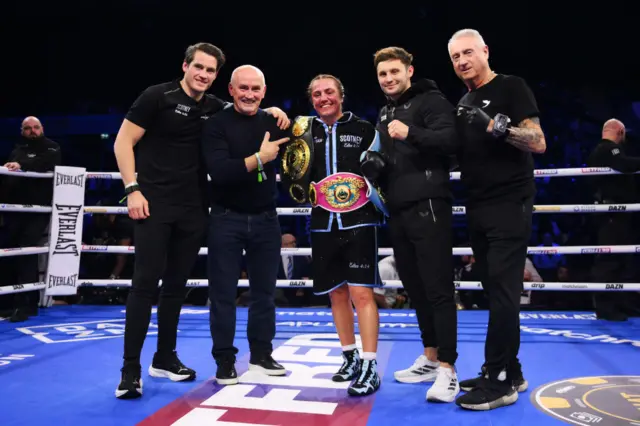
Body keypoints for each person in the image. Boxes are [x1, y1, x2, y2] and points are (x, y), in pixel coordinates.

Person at [113, 43, 289, 399]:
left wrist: (272, 110)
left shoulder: (213, 107)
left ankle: (164, 357)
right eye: (199, 68)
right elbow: (122, 142)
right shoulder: (156, 96)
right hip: (153, 202)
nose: (204, 75)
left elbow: (246, 106)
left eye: (211, 71)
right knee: (144, 284)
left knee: (176, 285)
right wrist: (132, 188)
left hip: (193, 207)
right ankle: (130, 369)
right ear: (186, 65)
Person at [447, 28, 546, 410]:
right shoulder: (464, 101)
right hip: (477, 205)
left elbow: (538, 141)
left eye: (468, 53)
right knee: (495, 291)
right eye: (455, 57)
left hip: (510, 203)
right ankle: (512, 368)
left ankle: (498, 378)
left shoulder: (510, 86)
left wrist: (495, 126)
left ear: (485, 51)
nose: (462, 61)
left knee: (504, 292)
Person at [362, 46, 460, 402]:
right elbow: (387, 156)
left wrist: (411, 133)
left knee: (437, 289)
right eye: (382, 74)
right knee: (414, 288)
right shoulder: (387, 110)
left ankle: (449, 369)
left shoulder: (431, 101)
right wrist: (370, 166)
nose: (388, 79)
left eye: (394, 72)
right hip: (398, 209)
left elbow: (452, 141)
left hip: (429, 204)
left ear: (409, 71)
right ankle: (431, 357)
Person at [287, 74, 385, 396]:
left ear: (341, 95)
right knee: (336, 294)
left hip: (359, 222)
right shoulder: (303, 133)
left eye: (329, 92)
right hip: (322, 224)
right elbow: (295, 175)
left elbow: (383, 172)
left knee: (361, 294)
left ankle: (371, 365)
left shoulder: (365, 130)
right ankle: (350, 357)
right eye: (316, 94)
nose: (323, 98)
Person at [201, 65, 290, 385]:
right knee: (222, 293)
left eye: (256, 89)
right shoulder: (215, 125)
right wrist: (260, 158)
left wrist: (277, 113)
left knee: (265, 293)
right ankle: (225, 359)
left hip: (267, 218)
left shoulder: (272, 121)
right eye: (243, 88)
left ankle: (262, 354)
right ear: (231, 89)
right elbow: (221, 171)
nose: (249, 94)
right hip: (226, 218)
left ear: (264, 92)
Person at [0, 116, 61, 322]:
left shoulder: (51, 147)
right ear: (22, 131)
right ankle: (11, 303)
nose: (32, 131)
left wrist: (20, 164)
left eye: (36, 127)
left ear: (42, 128)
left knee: (27, 249)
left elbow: (45, 163)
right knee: (10, 250)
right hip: (16, 210)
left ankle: (25, 305)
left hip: (38, 210)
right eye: (28, 128)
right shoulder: (16, 150)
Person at [587, 118, 640, 321]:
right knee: (609, 258)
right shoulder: (607, 149)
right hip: (611, 212)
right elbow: (623, 164)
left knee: (623, 259)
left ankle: (621, 303)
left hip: (619, 212)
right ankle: (605, 307)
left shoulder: (606, 150)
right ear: (620, 131)